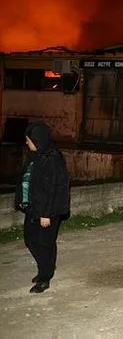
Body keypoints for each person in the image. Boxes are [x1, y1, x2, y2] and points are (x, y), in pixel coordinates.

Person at [14, 121, 70, 294]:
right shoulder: (36, 155)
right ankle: (47, 269)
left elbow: (54, 188)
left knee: (43, 243)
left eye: (28, 139)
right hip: (34, 207)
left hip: (48, 210)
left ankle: (44, 277)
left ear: (37, 139)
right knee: (32, 240)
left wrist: (47, 214)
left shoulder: (52, 159)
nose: (26, 142)